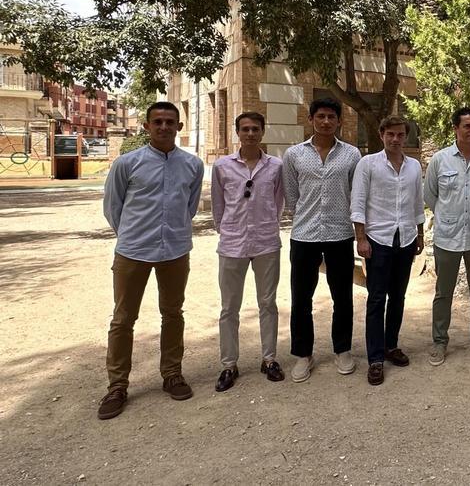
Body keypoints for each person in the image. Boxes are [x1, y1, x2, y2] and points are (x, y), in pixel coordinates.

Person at [98, 101, 204, 420]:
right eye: (157, 121)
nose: (163, 127)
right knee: (123, 319)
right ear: (146, 126)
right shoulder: (127, 164)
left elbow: (190, 206)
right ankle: (117, 385)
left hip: (174, 250)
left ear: (179, 127)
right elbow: (113, 207)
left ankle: (172, 374)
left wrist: (171, 231)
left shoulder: (192, 165)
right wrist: (131, 234)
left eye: (170, 122)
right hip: (133, 251)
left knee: (173, 313)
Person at [283, 97, 362, 383]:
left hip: (340, 234)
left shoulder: (352, 155)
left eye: (331, 116)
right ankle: (303, 354)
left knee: (342, 297)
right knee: (301, 298)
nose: (326, 121)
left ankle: (342, 349)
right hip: (304, 235)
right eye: (321, 116)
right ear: (311, 119)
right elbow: (292, 197)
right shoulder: (294, 155)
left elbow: (356, 195)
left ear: (339, 121)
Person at [211, 111, 286, 392]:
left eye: (255, 129)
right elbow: (219, 206)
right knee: (229, 307)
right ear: (237, 132)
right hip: (232, 244)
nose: (250, 133)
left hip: (266, 241)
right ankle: (229, 364)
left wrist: (266, 224)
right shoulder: (221, 167)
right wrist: (228, 228)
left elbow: (278, 202)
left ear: (263, 132)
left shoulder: (276, 166)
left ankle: (269, 359)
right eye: (245, 129)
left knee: (268, 303)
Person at [351, 117, 424, 385]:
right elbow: (358, 203)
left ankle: (391, 345)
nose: (396, 139)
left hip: (404, 239)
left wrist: (420, 234)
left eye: (401, 135)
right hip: (378, 240)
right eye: (390, 134)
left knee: (399, 297)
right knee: (376, 299)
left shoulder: (414, 166)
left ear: (406, 137)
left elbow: (417, 202)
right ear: (381, 134)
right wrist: (361, 239)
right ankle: (375, 358)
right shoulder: (367, 164)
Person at [425, 107, 470, 365]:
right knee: (443, 292)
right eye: (467, 126)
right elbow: (430, 196)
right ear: (455, 128)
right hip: (447, 237)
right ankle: (439, 342)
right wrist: (449, 216)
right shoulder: (440, 160)